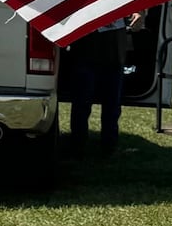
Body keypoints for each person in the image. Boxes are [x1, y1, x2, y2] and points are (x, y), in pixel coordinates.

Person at [60, 12, 140, 154]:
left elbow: (134, 5)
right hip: (86, 51)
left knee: (112, 104)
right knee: (82, 102)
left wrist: (139, 12)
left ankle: (109, 146)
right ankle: (77, 145)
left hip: (114, 53)